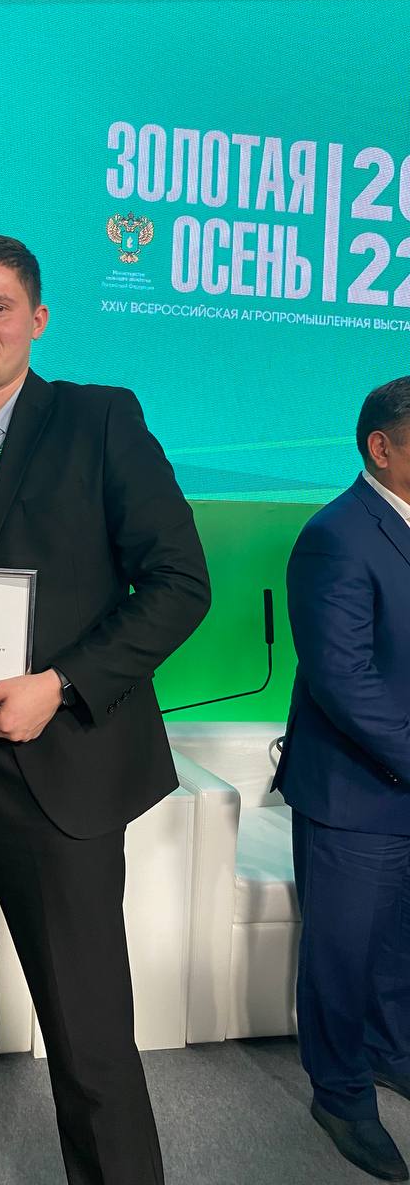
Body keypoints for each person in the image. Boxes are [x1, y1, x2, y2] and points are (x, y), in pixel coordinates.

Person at [0, 235, 211, 1185]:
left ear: (37, 319)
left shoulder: (99, 420)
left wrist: (58, 685)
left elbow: (179, 584)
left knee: (87, 1032)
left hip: (56, 768)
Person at [274, 376, 410, 1182]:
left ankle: (392, 1054)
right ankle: (341, 1095)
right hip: (354, 790)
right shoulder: (337, 535)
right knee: (342, 952)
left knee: (398, 945)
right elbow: (342, 679)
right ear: (381, 447)